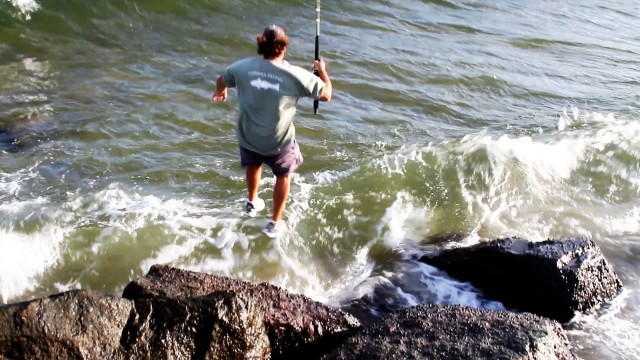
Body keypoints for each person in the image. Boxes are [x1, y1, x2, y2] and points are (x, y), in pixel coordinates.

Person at [212, 24, 332, 238]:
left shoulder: (241, 67)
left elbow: (222, 79)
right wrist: (322, 71)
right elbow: (326, 95)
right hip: (279, 143)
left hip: (248, 138)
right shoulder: (295, 75)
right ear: (283, 48)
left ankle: (252, 201)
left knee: (253, 162)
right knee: (283, 175)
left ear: (261, 45)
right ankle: (274, 223)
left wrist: (220, 91)